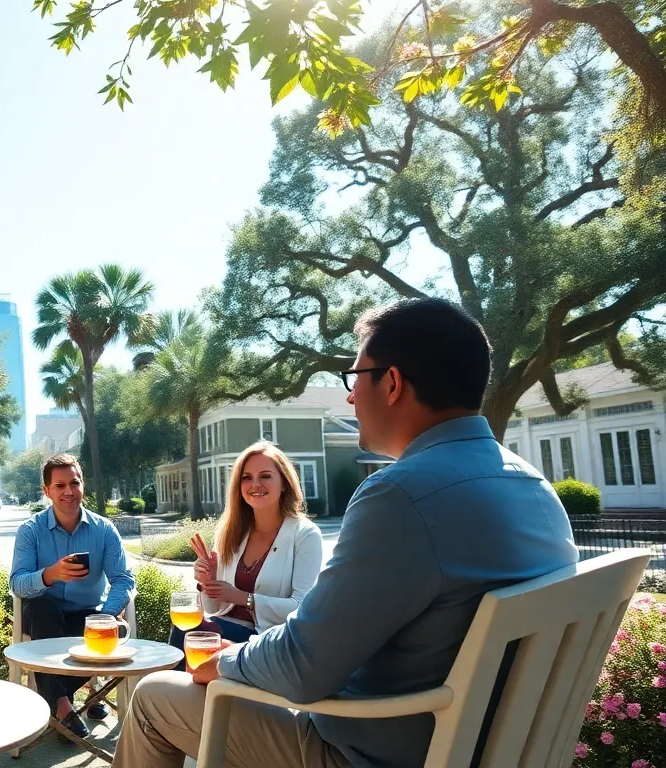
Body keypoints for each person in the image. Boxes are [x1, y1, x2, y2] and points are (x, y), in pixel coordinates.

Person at [114, 298, 579, 768]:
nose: (352, 397)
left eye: (355, 378)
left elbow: (304, 665)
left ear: (392, 383)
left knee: (155, 696)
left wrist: (223, 661)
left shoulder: (400, 496)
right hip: (482, 749)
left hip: (369, 752)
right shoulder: (536, 488)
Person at [11, 454, 136, 738]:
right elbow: (17, 583)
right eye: (59, 485)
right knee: (41, 606)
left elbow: (123, 578)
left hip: (89, 614)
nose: (68, 491)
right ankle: (67, 706)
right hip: (45, 618)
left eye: (74, 483)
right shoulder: (30, 531)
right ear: (47, 491)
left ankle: (51, 702)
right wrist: (51, 574)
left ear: (83, 485)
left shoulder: (104, 529)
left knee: (98, 627)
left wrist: (106, 615)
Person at [170, 441, 322, 658]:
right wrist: (207, 582)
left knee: (193, 635)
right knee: (187, 629)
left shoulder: (305, 535)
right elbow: (213, 609)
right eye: (247, 477)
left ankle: (175, 687)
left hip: (269, 641)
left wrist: (244, 598)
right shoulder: (232, 532)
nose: (255, 485)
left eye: (266, 476)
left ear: (285, 483)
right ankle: (174, 687)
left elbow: (301, 608)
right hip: (225, 630)